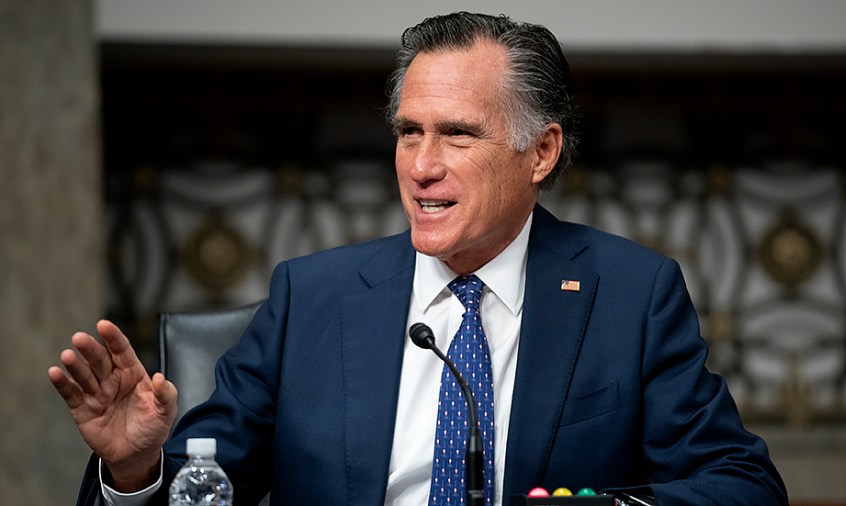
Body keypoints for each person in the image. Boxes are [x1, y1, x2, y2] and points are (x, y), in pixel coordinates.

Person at [49, 12, 788, 506]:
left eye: (457, 135)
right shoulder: (311, 297)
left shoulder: (630, 294)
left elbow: (743, 484)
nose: (421, 166)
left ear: (542, 151)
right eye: (408, 132)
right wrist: (135, 469)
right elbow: (206, 489)